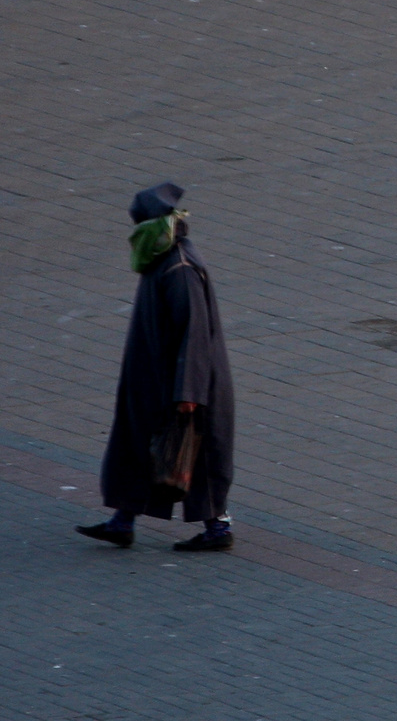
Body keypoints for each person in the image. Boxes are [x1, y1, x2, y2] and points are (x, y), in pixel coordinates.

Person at [77, 183, 236, 551]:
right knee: (137, 450)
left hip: (182, 386)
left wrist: (188, 393)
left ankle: (217, 528)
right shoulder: (164, 260)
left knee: (196, 456)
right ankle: (122, 521)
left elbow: (194, 334)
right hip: (155, 383)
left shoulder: (179, 268)